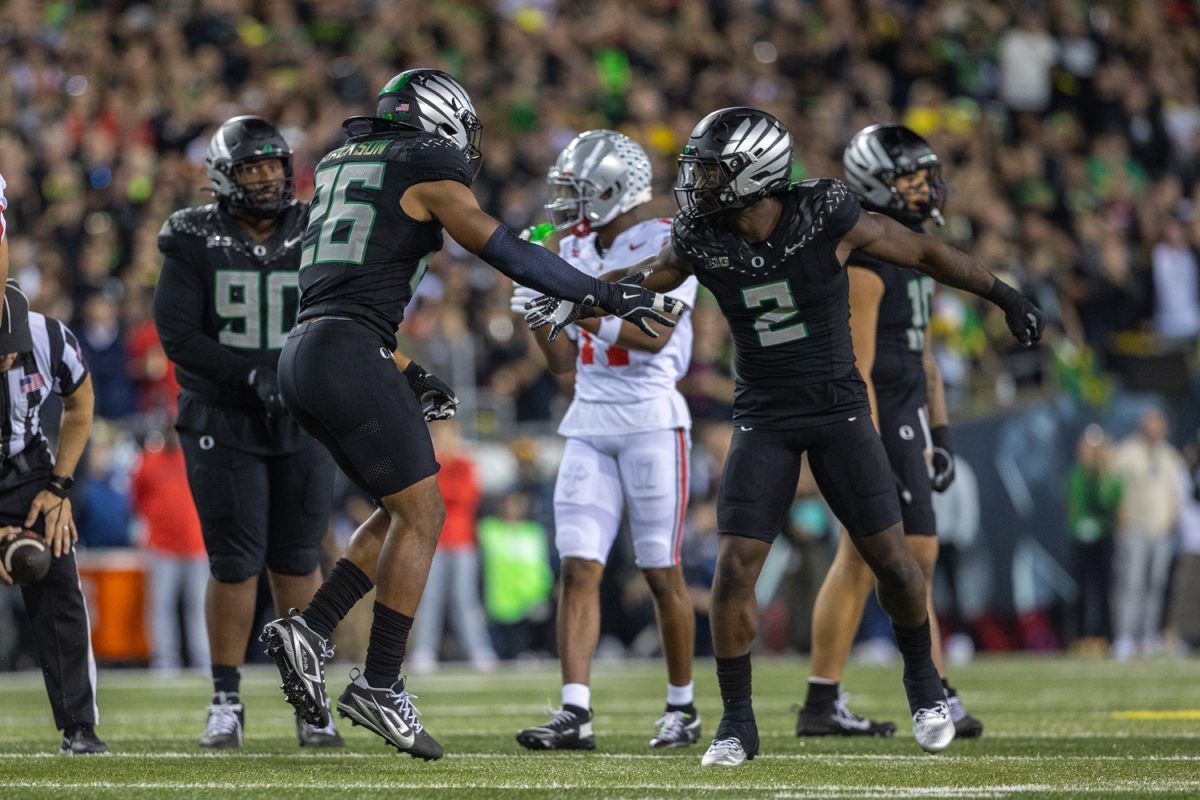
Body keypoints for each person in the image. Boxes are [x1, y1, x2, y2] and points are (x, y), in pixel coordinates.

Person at [527, 107, 1044, 764]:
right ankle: (737, 722)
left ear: (757, 172)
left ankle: (923, 685)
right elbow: (645, 283)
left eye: (713, 170)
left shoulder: (823, 211)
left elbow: (922, 251)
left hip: (838, 411)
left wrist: (1004, 294)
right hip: (764, 416)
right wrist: (576, 292)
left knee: (894, 560)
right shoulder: (701, 235)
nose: (700, 183)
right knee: (735, 570)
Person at [257, 68, 684, 761]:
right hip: (346, 351)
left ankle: (313, 629)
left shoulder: (338, 162)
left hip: (307, 352)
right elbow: (503, 249)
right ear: (439, 120)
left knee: (402, 507)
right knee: (424, 514)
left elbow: (343, 290)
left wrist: (406, 370)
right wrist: (605, 298)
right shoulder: (425, 162)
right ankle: (381, 683)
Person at [153, 116, 342, 749]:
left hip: (303, 415)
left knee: (297, 559)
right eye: (251, 167)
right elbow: (179, 338)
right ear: (222, 177)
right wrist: (254, 376)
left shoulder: (316, 225)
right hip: (222, 418)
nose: (265, 177)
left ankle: (308, 698)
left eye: (273, 165)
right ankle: (226, 698)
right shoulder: (191, 235)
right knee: (234, 562)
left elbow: (345, 309)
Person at [512, 131, 702, 752]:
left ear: (615, 188)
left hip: (650, 418)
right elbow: (562, 366)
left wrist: (568, 300)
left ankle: (682, 706)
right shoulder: (567, 244)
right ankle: (575, 710)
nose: (565, 203)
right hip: (589, 420)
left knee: (660, 569)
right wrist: (542, 315)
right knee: (577, 565)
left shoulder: (665, 241)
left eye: (576, 191)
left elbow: (654, 334)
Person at [798, 125, 983, 741]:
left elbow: (923, 354)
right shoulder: (869, 260)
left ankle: (832, 699)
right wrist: (868, 446)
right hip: (877, 415)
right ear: (878, 181)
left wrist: (944, 430)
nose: (926, 186)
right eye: (911, 176)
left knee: (901, 557)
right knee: (883, 558)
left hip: (909, 415)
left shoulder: (914, 250)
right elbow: (861, 366)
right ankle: (906, 688)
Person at [0, 276, 103, 755]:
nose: (3, 360)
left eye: (9, 351)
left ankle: (79, 727)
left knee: (57, 578)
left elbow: (80, 405)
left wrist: (59, 487)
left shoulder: (51, 337)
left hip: (29, 469)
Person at [408, 423, 496, 673]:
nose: (445, 440)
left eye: (448, 435)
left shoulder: (465, 464)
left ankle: (479, 650)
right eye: (440, 436)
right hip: (434, 542)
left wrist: (444, 489)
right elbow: (425, 497)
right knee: (429, 600)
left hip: (463, 542)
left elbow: (468, 495)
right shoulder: (431, 463)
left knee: (465, 600)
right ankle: (424, 651)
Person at [133, 423, 210, 674]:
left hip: (196, 545)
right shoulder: (149, 460)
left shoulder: (195, 458)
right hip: (162, 546)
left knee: (198, 606)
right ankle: (164, 660)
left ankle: (203, 659)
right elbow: (137, 498)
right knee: (160, 605)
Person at [1109, 407, 1185, 660]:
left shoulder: (1169, 455)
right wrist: (1121, 512)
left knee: (1155, 585)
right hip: (1135, 527)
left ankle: (1147, 637)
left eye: (1159, 423)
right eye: (1151, 422)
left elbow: (1176, 492)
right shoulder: (1128, 451)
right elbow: (1114, 484)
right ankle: (1124, 638)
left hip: (1161, 529)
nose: (1155, 428)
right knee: (1131, 584)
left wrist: (1173, 516)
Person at [1066, 424, 1122, 654]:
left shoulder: (1108, 475)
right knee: (1081, 590)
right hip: (1081, 537)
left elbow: (1110, 502)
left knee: (1104, 589)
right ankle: (1080, 637)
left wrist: (1100, 472)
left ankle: (1106, 637)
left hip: (1103, 536)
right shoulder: (1077, 474)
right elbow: (1073, 506)